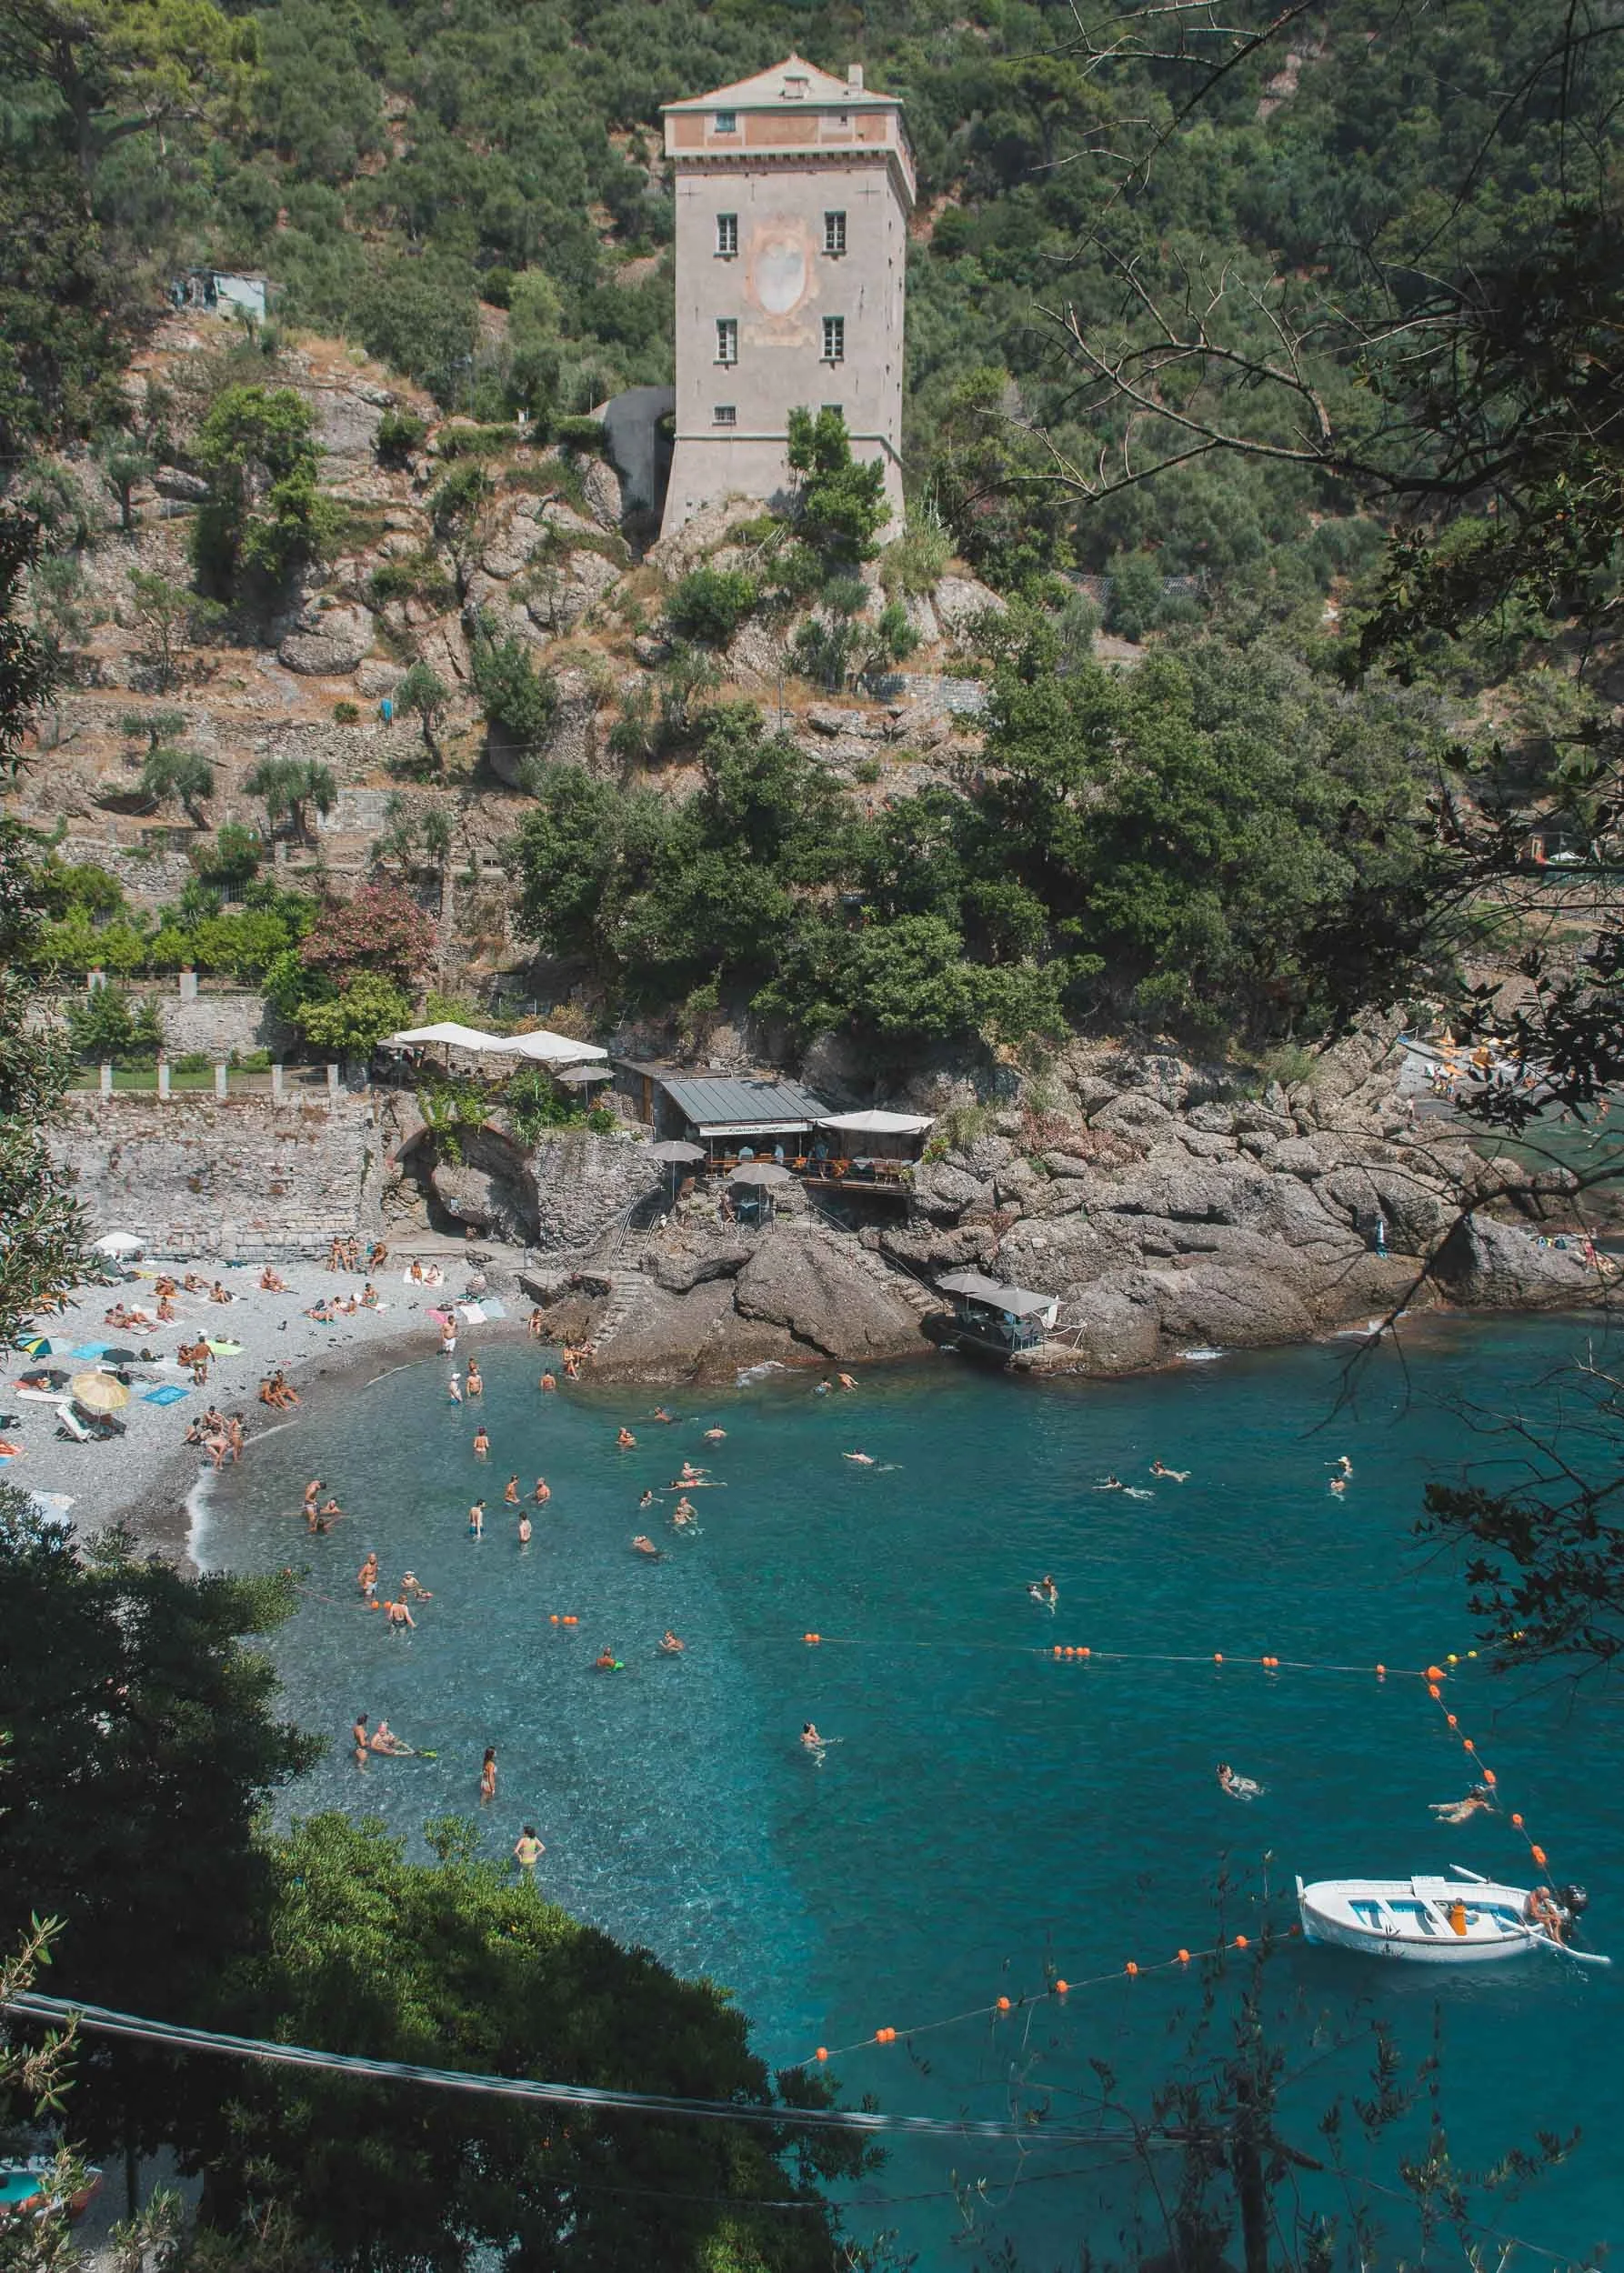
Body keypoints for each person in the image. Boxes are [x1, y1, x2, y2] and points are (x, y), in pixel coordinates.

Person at [1429, 1784, 1496, 1824]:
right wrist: (1490, 1809)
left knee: (1448, 1807)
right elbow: (1487, 1806)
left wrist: (1490, 1787)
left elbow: (1483, 1791)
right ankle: (1443, 1818)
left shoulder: (1472, 1795)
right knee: (1456, 1820)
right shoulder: (1482, 1801)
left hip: (1461, 1804)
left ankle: (1437, 1807)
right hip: (1467, 1809)